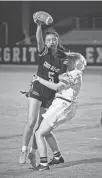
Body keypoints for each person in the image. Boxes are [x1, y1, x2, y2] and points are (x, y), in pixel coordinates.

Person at [19, 20, 68, 165]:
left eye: (54, 39)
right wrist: (39, 26)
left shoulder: (63, 57)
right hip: (37, 89)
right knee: (31, 121)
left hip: (51, 94)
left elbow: (62, 78)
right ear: (45, 43)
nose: (51, 41)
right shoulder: (43, 52)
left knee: (40, 127)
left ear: (58, 40)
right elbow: (38, 39)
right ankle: (24, 151)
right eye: (49, 40)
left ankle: (33, 153)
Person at [33, 52, 87, 171]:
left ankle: (43, 163)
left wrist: (39, 80)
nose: (65, 63)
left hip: (62, 105)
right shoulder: (75, 73)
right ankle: (57, 157)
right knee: (46, 132)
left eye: (68, 61)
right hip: (64, 105)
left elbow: (57, 87)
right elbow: (61, 80)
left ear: (73, 62)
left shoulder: (74, 73)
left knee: (39, 133)